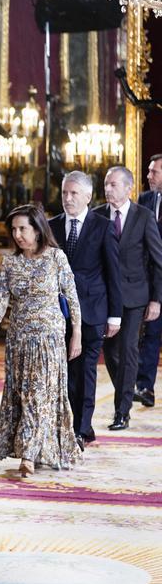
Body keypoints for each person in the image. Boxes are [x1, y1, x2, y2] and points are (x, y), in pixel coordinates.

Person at [0, 204, 83, 477]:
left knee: (39, 394)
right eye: (13, 229)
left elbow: (72, 298)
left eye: (22, 228)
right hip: (19, 341)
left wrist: (77, 335)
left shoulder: (56, 258)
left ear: (38, 230)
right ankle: (36, 449)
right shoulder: (11, 263)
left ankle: (28, 454)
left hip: (49, 340)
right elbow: (1, 299)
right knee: (23, 395)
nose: (17, 234)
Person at [49, 171, 123, 446]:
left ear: (88, 197)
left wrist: (115, 315)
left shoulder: (103, 227)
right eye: (65, 193)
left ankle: (81, 429)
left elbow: (113, 273)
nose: (67, 198)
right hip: (57, 314)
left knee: (85, 372)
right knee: (64, 374)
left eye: (74, 194)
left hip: (92, 312)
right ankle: (68, 426)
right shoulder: (51, 226)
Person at [92, 166, 162, 431]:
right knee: (110, 351)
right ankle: (126, 387)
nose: (107, 189)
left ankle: (122, 411)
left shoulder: (143, 216)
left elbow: (158, 261)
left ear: (128, 188)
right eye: (106, 184)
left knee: (129, 348)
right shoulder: (97, 215)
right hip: (106, 297)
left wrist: (157, 299)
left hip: (135, 296)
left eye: (113, 185)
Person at [135, 153, 162, 408]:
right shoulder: (144, 200)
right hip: (150, 278)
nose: (149, 176)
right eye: (149, 171)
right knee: (150, 334)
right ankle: (145, 387)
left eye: (154, 172)